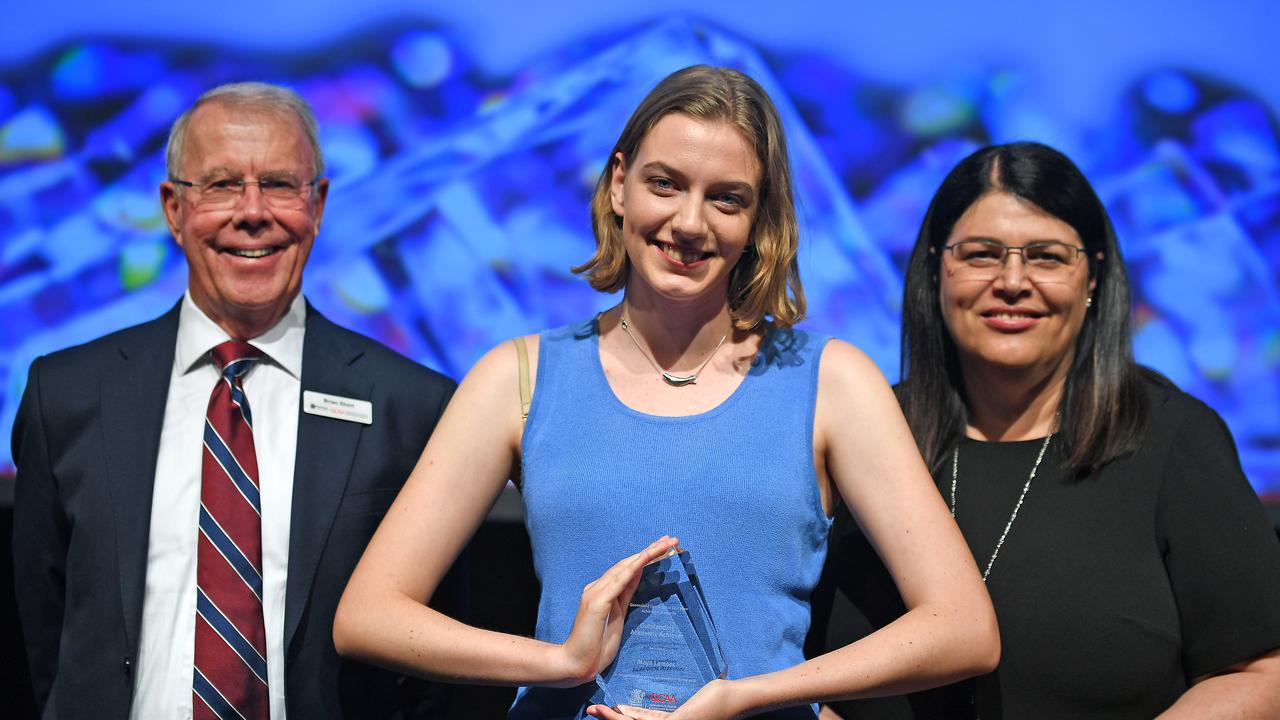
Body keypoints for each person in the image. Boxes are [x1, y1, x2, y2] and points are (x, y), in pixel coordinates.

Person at [332, 64, 998, 720]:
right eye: (665, 184)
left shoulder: (830, 380)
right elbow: (369, 616)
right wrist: (561, 662)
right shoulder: (519, 377)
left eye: (727, 199)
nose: (689, 222)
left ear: (759, 218)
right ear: (619, 184)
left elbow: (962, 628)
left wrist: (754, 693)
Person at [11, 82, 464, 719]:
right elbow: (45, 630)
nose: (252, 213)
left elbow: (438, 665)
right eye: (221, 184)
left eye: (280, 184)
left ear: (319, 204)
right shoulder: (67, 396)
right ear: (172, 209)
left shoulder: (410, 409)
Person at [809, 141, 1280, 719]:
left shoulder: (1174, 439)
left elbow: (1260, 673)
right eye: (981, 254)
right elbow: (784, 657)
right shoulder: (856, 434)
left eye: (1047, 256)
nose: (1012, 281)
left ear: (1093, 278)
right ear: (935, 269)